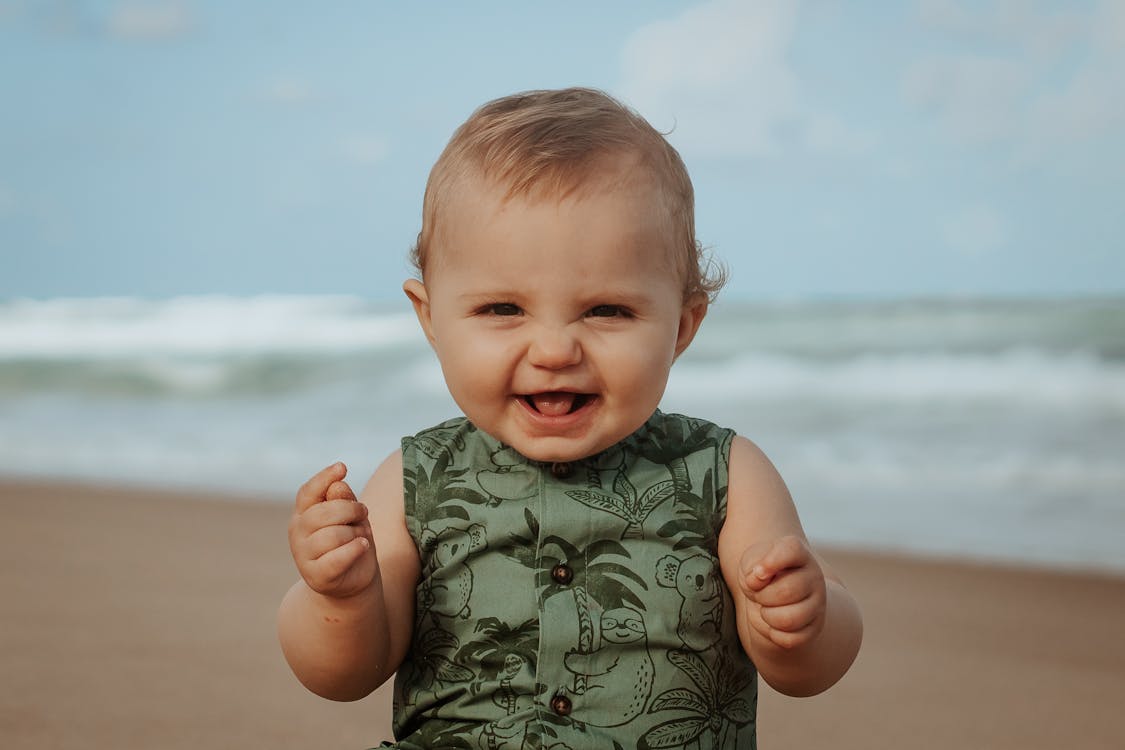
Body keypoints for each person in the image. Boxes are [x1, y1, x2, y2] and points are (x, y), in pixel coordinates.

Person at [278, 87, 862, 749]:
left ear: (681, 325)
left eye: (606, 311)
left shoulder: (723, 475)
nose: (555, 350)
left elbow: (808, 670)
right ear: (429, 316)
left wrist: (801, 621)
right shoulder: (412, 481)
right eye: (502, 309)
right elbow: (340, 675)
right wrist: (341, 598)